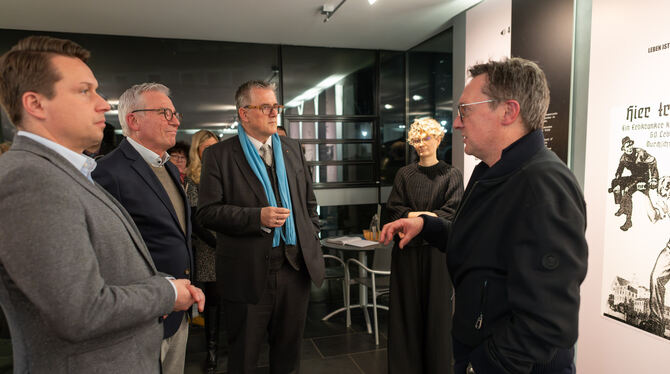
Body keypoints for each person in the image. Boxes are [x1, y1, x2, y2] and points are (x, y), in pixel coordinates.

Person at [0, 35, 203, 373]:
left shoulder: (67, 172)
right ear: (35, 104)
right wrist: (166, 293)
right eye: (84, 91)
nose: (103, 105)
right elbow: (80, 311)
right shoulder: (29, 180)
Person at [380, 58, 588, 374]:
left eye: (465, 111)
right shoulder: (491, 172)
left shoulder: (543, 183)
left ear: (508, 112)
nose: (457, 124)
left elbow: (549, 320)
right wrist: (427, 225)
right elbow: (482, 247)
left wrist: (482, 365)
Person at [197, 80, 325, 373]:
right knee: (243, 358)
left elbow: (308, 203)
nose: (273, 113)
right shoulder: (219, 156)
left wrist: (311, 235)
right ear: (244, 113)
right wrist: (257, 218)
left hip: (295, 268)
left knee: (288, 356)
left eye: (275, 106)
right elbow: (207, 213)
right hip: (247, 273)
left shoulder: (292, 148)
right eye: (265, 107)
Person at [93, 83, 195, 374]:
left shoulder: (170, 168)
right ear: (133, 120)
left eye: (174, 113)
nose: (175, 120)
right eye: (164, 113)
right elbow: (105, 255)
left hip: (178, 308)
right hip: (143, 317)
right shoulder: (108, 173)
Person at [383, 117, 463, 374]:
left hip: (437, 254)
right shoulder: (404, 174)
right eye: (416, 139)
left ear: (439, 139)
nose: (421, 144)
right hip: (406, 253)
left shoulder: (451, 175)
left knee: (437, 316)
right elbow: (394, 211)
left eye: (426, 137)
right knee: (404, 315)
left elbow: (451, 214)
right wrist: (428, 216)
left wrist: (415, 217)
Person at [184, 130, 220, 373]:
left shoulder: (226, 173)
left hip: (232, 245)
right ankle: (212, 351)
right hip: (210, 248)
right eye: (205, 149)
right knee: (215, 303)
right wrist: (220, 244)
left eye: (214, 148)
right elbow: (196, 221)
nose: (211, 153)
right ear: (197, 152)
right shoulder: (193, 179)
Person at [609, 136, 659, 231]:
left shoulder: (641, 153)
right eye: (626, 147)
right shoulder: (623, 158)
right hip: (634, 177)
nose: (629, 148)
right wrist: (618, 178)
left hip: (643, 178)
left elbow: (653, 161)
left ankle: (628, 221)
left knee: (627, 191)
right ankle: (622, 207)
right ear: (623, 148)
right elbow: (619, 169)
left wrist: (653, 179)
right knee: (615, 183)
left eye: (630, 145)